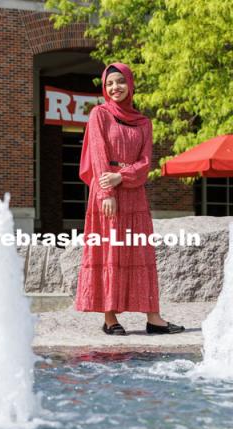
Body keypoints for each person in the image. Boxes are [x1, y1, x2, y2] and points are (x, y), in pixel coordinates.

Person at [74, 62, 185, 336]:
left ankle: (154, 318)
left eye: (120, 82)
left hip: (134, 194)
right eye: (110, 83)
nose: (115, 88)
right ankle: (110, 318)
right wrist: (107, 191)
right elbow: (98, 155)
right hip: (106, 194)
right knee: (109, 252)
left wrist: (121, 177)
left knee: (141, 252)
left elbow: (145, 163)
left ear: (130, 85)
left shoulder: (144, 122)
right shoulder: (99, 115)